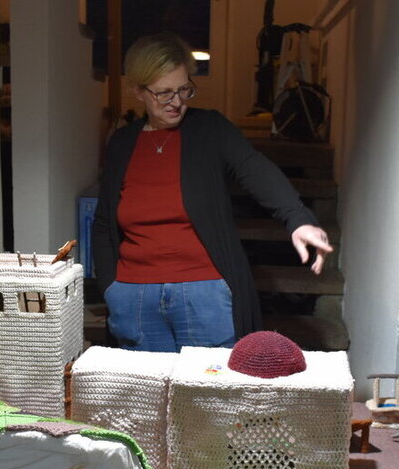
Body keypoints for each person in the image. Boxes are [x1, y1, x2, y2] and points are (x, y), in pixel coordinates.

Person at [92, 32, 332, 353]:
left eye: (184, 89)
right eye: (164, 93)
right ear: (138, 91)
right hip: (134, 297)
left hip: (204, 295)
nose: (177, 102)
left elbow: (254, 168)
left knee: (209, 385)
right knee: (145, 386)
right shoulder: (122, 143)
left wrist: (298, 218)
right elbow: (104, 223)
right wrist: (111, 287)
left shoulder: (210, 129)